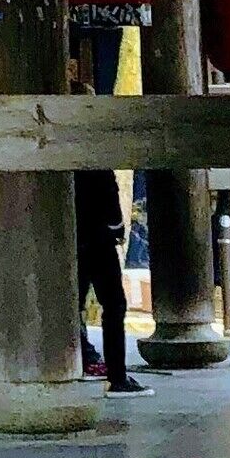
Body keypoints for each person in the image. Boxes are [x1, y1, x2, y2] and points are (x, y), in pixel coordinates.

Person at [73, 164, 142, 394]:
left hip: (71, 241)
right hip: (99, 241)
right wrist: (117, 229)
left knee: (72, 305)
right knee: (114, 305)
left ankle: (75, 364)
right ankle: (117, 376)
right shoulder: (97, 164)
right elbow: (109, 198)